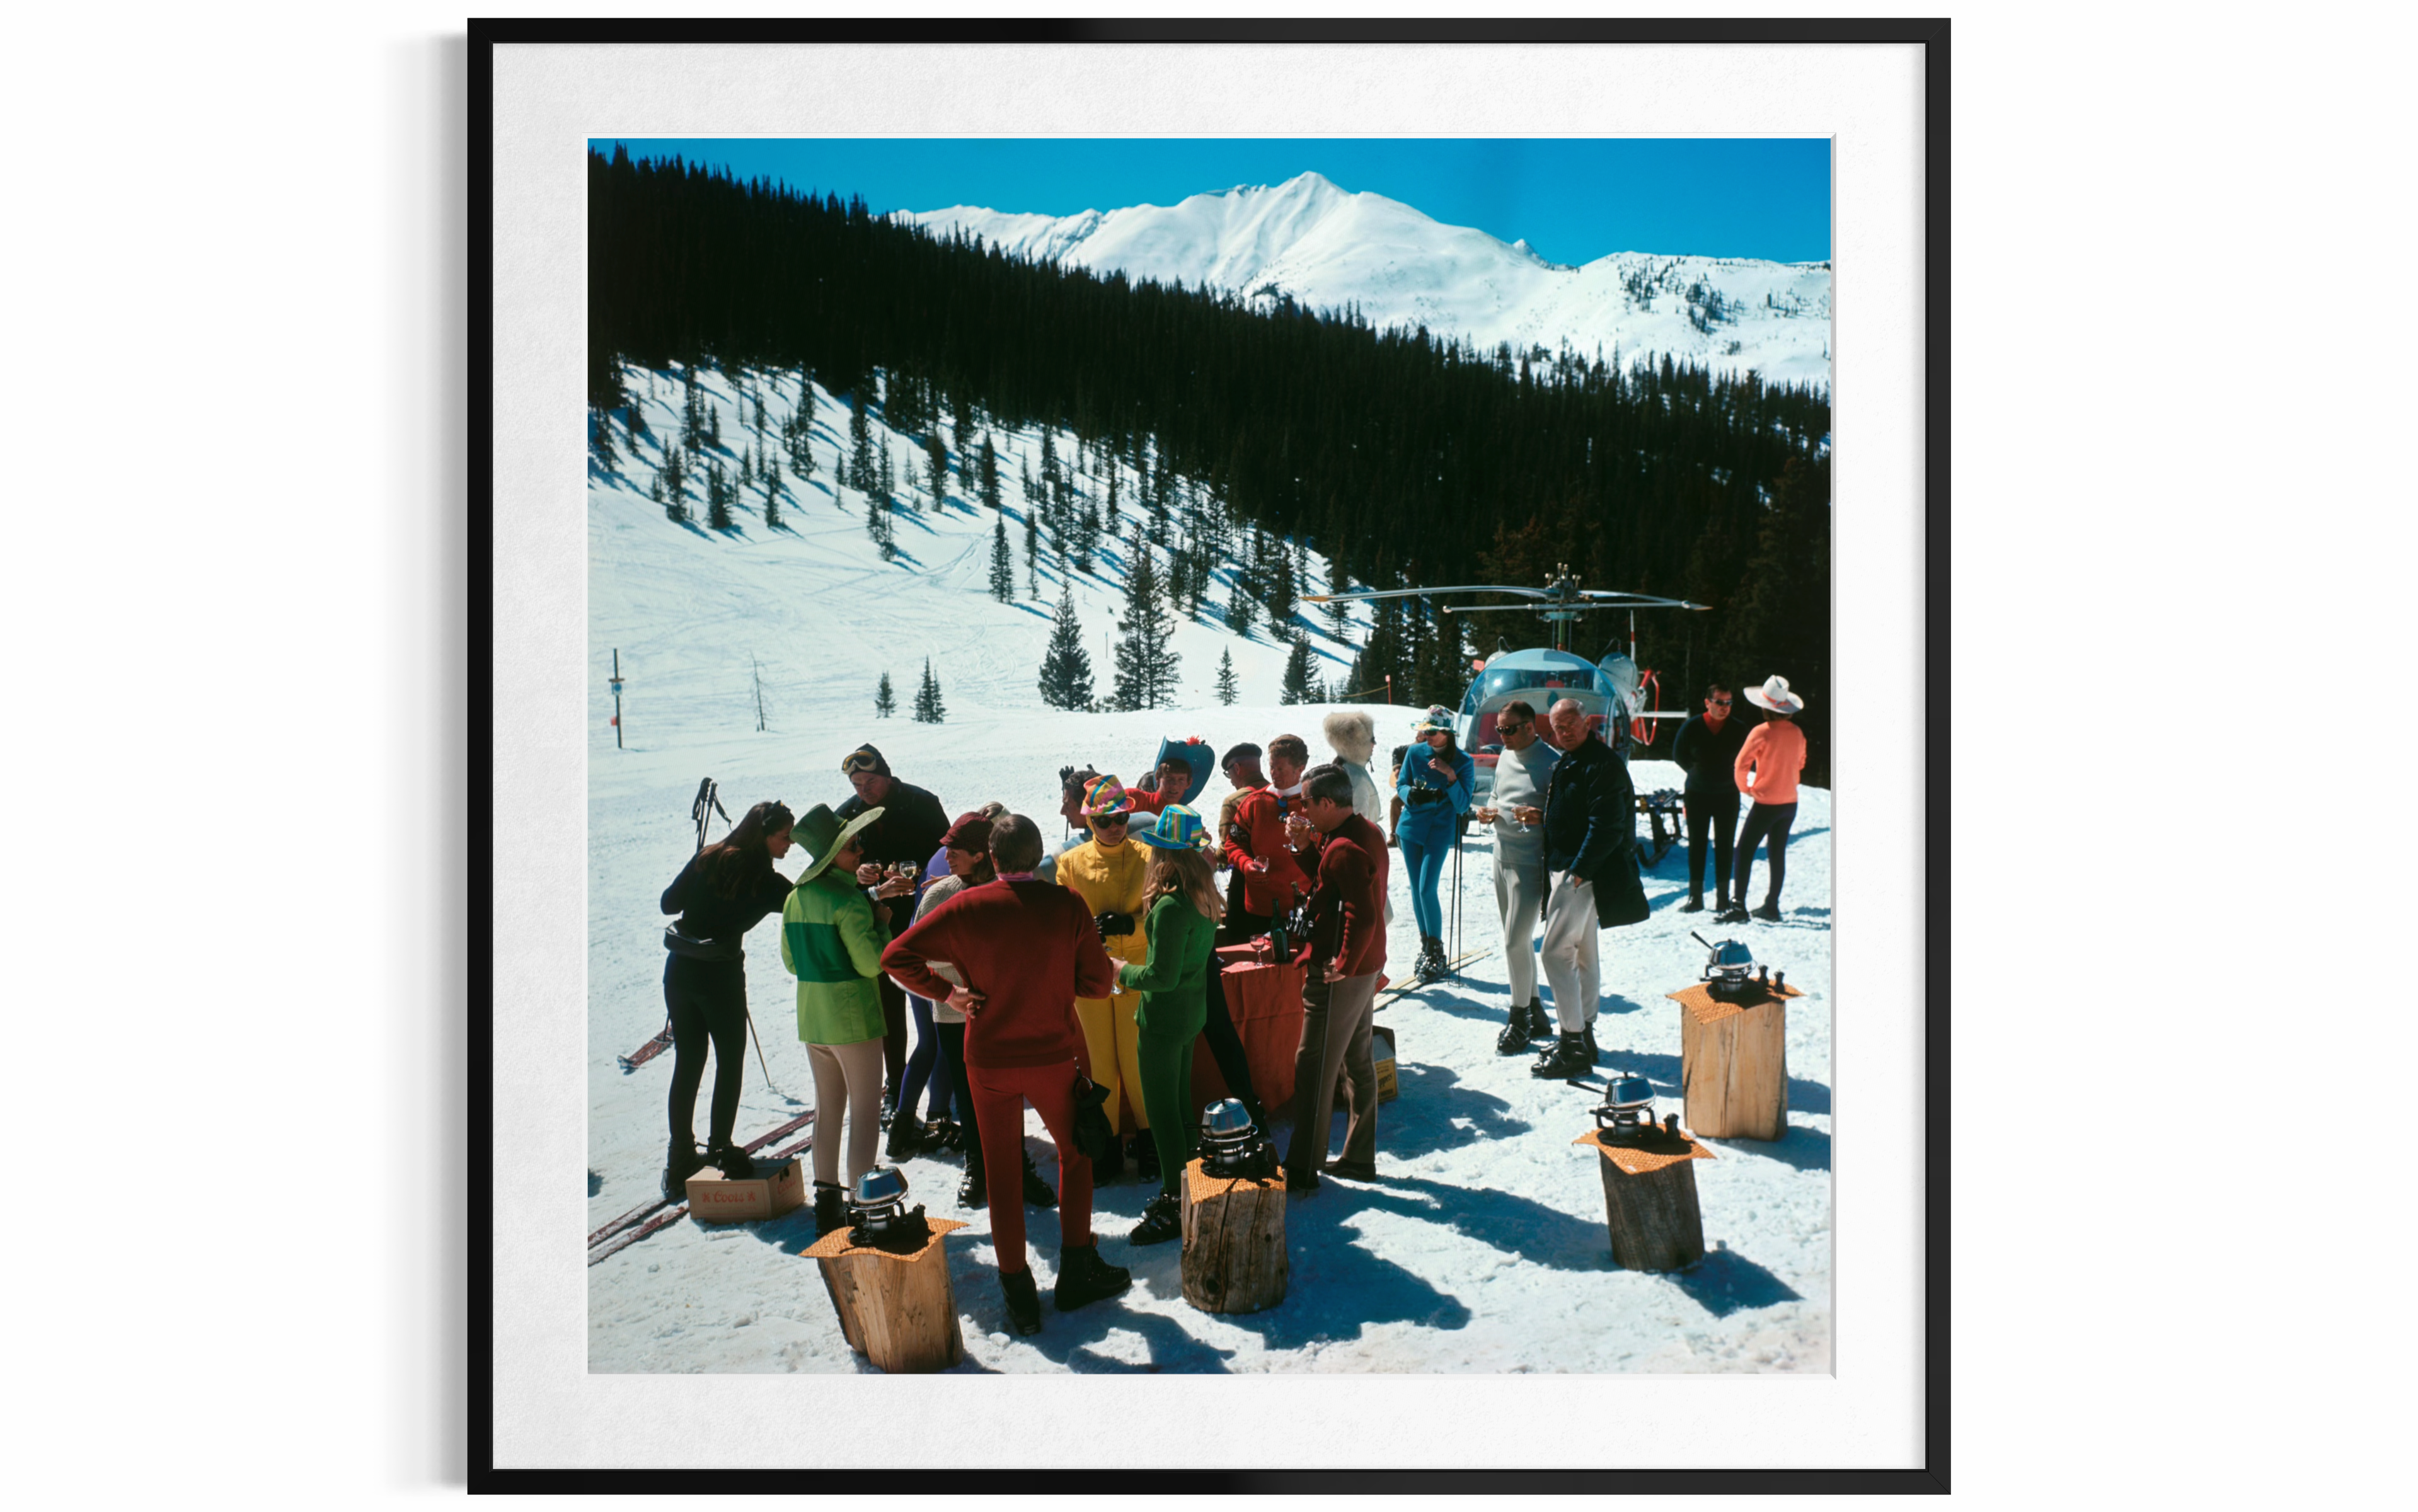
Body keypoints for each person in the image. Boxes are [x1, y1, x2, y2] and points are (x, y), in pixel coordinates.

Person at [880, 815, 1132, 1334]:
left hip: (988, 1058)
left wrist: (948, 993)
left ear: (991, 859)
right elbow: (1091, 984)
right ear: (1039, 855)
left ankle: (1017, 1289)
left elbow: (895, 956)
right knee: (1075, 1155)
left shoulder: (965, 906)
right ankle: (1076, 1270)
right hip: (1051, 1055)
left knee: (1000, 1173)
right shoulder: (1065, 905)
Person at [902, 812, 1058, 1211]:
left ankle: (1019, 1168)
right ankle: (977, 1165)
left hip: (1008, 1014)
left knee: (1010, 1093)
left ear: (980, 854)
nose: (946, 857)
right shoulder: (939, 896)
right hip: (957, 1019)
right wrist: (954, 988)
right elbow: (915, 957)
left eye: (954, 851)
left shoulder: (1015, 891)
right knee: (969, 1098)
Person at [778, 802, 914, 1235]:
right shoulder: (849, 902)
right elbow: (873, 963)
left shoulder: (795, 898)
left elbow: (790, 963)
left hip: (813, 1017)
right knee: (866, 1112)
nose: (859, 850)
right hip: (853, 1020)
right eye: (851, 845)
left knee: (828, 1110)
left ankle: (825, 1203)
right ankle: (865, 1204)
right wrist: (881, 923)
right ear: (830, 855)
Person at [655, 799, 797, 1201]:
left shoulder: (709, 856)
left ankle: (679, 1157)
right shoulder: (765, 881)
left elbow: (669, 904)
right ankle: (719, 1146)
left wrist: (701, 880)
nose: (789, 845)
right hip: (720, 978)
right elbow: (804, 903)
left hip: (680, 972)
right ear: (764, 835)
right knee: (729, 1060)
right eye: (784, 837)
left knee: (689, 1061)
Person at [1281, 763, 1390, 1192]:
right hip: (1365, 966)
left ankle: (1303, 1169)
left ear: (1326, 803)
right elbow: (1333, 884)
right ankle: (1358, 1157)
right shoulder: (1360, 833)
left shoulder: (1344, 846)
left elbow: (1359, 914)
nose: (1300, 809)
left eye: (1305, 802)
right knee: (1356, 1061)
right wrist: (1305, 846)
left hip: (1342, 972)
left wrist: (1341, 964)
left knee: (1314, 1066)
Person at [1117, 805, 1223, 1244]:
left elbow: (1160, 977)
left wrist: (1119, 970)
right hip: (1190, 1016)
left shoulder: (1168, 907)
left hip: (1162, 1022)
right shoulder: (1204, 898)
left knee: (1162, 1116)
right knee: (1181, 1108)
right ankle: (1191, 1185)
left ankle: (1173, 1198)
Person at [1531, 697, 1648, 1079]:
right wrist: (1545, 818)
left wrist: (1579, 872)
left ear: (1587, 722)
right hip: (1573, 868)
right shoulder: (1574, 757)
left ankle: (1572, 1043)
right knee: (1583, 954)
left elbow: (1608, 826)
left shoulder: (1603, 763)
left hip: (1581, 873)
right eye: (1557, 728)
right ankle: (1586, 1034)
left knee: (1553, 953)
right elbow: (1576, 810)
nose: (1564, 734)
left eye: (1570, 725)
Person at [834, 744, 952, 1116]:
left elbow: (949, 858)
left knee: (936, 1007)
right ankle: (897, 1088)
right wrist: (858, 876)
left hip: (923, 918)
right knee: (889, 1012)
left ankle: (942, 1085)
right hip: (875, 923)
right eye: (857, 784)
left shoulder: (922, 803)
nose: (864, 790)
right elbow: (831, 870)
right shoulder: (848, 816)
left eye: (870, 781)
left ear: (886, 775)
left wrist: (913, 874)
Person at [1054, 777, 1154, 1183]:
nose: (1116, 827)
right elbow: (1061, 919)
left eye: (1123, 818)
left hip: (1137, 972)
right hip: (1091, 976)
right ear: (1090, 821)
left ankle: (1151, 1146)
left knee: (1137, 1062)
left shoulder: (1151, 856)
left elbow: (1168, 912)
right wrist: (1082, 932)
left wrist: (1132, 925)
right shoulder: (1071, 863)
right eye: (1106, 821)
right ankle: (1106, 1148)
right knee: (1100, 1064)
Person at [1471, 700, 1557, 1053]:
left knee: (1514, 941)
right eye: (1499, 729)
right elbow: (1496, 793)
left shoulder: (1552, 762)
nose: (1502, 736)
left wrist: (1542, 817)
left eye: (1508, 730)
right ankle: (1535, 1009)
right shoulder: (1506, 756)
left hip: (1530, 863)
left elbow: (1565, 813)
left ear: (1529, 726)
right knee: (1515, 940)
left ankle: (1519, 1016)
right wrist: (1487, 811)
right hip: (1501, 855)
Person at [1394, 706, 1475, 982]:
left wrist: (1451, 776)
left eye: (1432, 731)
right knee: (1417, 890)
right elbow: (1401, 784)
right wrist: (1410, 795)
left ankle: (1437, 951)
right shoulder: (1415, 753)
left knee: (1428, 888)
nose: (1426, 735)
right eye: (1425, 730)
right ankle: (1426, 947)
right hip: (1411, 829)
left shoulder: (1464, 762)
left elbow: (1463, 805)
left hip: (1440, 831)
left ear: (1448, 734)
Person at [1724, 675, 1811, 925]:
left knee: (1744, 851)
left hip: (1766, 803)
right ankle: (1772, 906)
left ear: (1765, 707)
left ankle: (1739, 907)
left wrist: (1746, 788)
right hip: (1789, 802)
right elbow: (1802, 762)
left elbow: (1741, 764)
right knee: (1777, 852)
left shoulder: (1761, 732)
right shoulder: (1797, 732)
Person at [1671, 684, 1749, 915]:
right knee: (1697, 845)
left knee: (1725, 846)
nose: (1725, 707)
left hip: (1728, 795)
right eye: (1720, 702)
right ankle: (1695, 898)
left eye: (1729, 703)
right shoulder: (1692, 727)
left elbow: (1747, 758)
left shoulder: (1738, 729)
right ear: (1708, 703)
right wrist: (1698, 773)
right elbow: (1679, 755)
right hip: (1698, 795)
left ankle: (1723, 900)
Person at [1224, 734, 1316, 929]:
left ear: (1300, 768)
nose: (1274, 774)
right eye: (1272, 767)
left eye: (1281, 769)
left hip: (1304, 908)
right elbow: (1233, 844)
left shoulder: (1314, 804)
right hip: (1258, 911)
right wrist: (1246, 864)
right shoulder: (1254, 803)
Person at [1321, 710, 1395, 925]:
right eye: (1371, 739)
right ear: (1358, 744)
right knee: (1373, 915)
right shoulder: (1357, 778)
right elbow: (1358, 825)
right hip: (1363, 855)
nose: (1375, 744)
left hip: (1354, 853)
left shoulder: (1343, 769)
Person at [1032, 765, 1099, 886]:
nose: (1062, 811)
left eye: (1068, 805)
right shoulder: (1139, 823)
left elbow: (1032, 877)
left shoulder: (1067, 854)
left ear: (1087, 808)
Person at [1130, 736, 1214, 816]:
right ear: (1158, 778)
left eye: (1181, 780)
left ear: (1188, 783)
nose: (1174, 785)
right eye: (1169, 778)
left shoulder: (1188, 818)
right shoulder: (1134, 799)